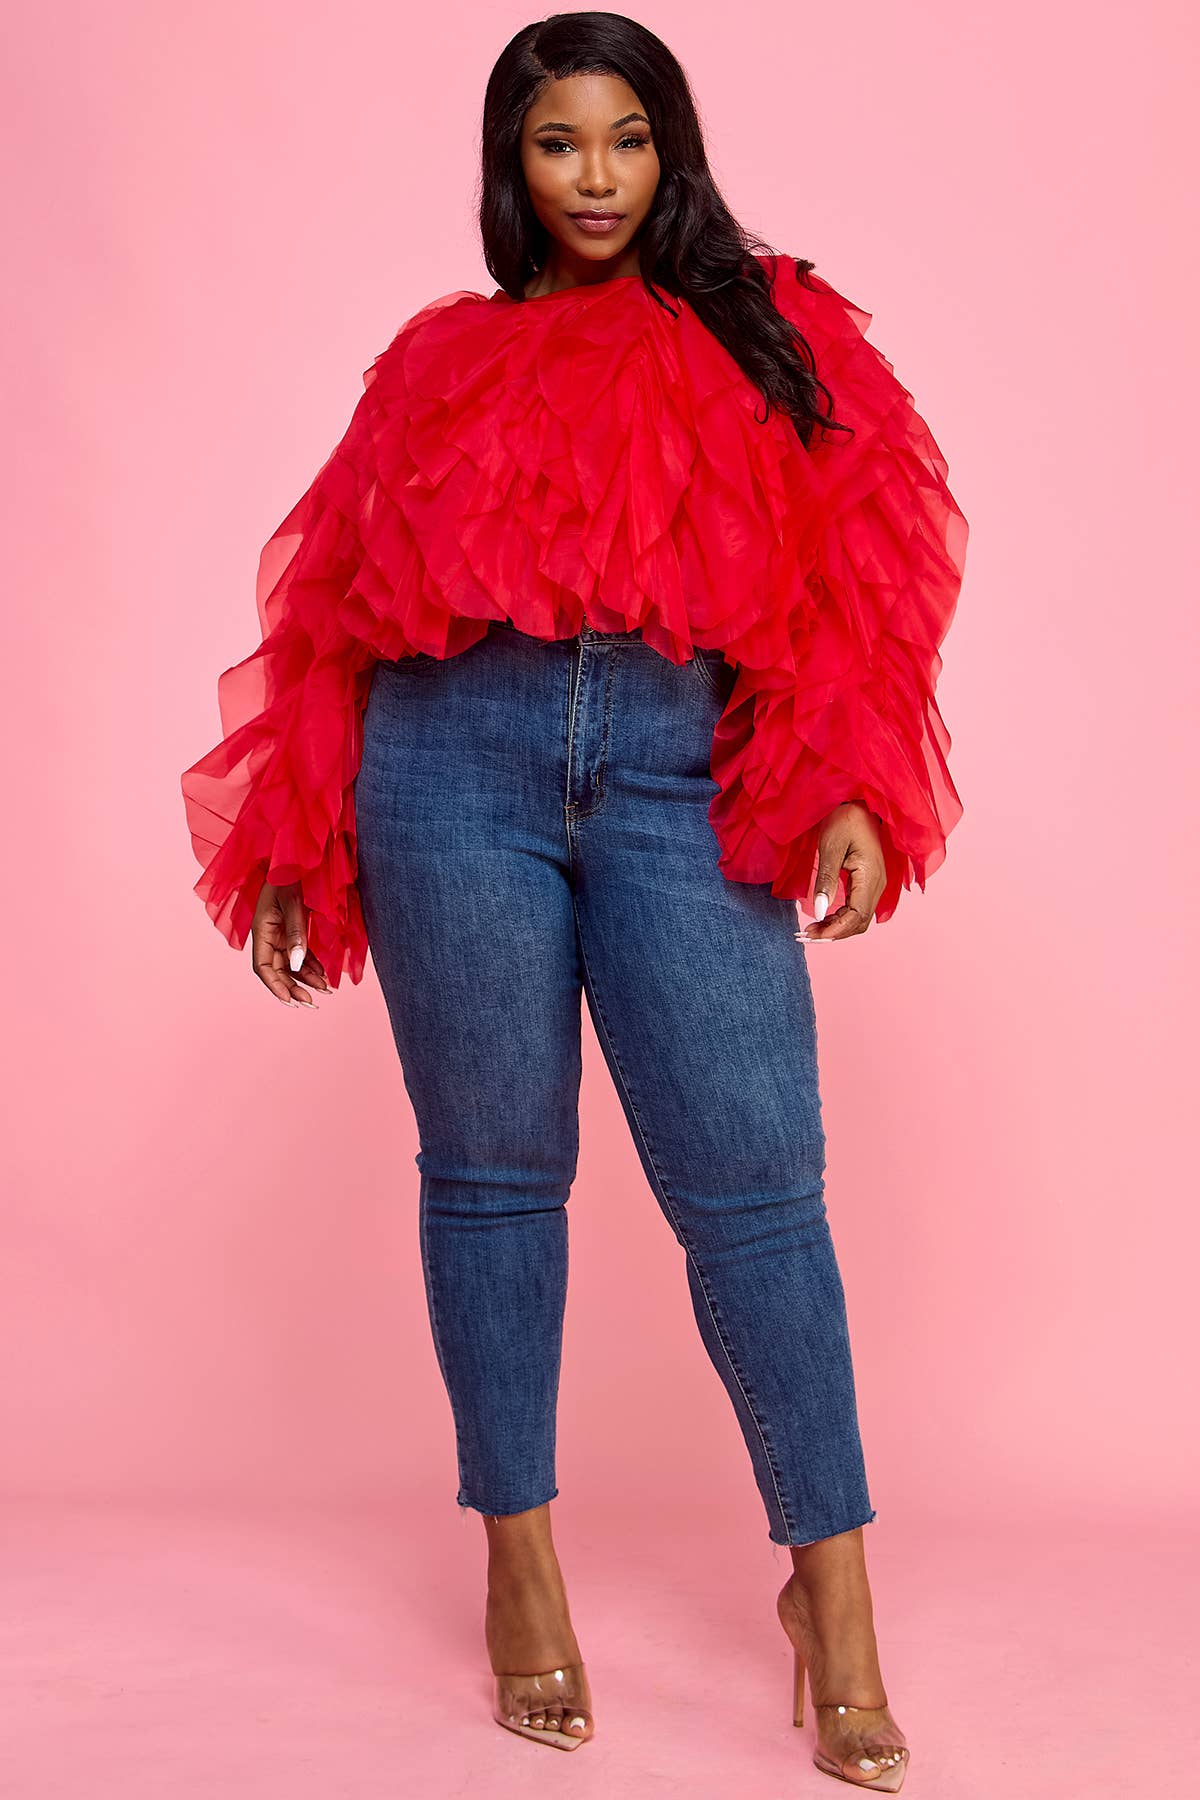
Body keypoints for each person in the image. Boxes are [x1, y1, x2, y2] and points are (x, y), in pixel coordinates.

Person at [180, 14, 967, 1790]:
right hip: (451, 761)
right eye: (559, 145)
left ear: (669, 149)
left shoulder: (776, 331)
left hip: (683, 765)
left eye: (627, 140)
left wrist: (844, 777)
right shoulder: (437, 365)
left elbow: (869, 572)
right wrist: (303, 830)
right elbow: (333, 613)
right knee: (490, 1178)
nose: (597, 179)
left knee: (757, 1192)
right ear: (510, 164)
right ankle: (518, 1555)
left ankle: (830, 1598)